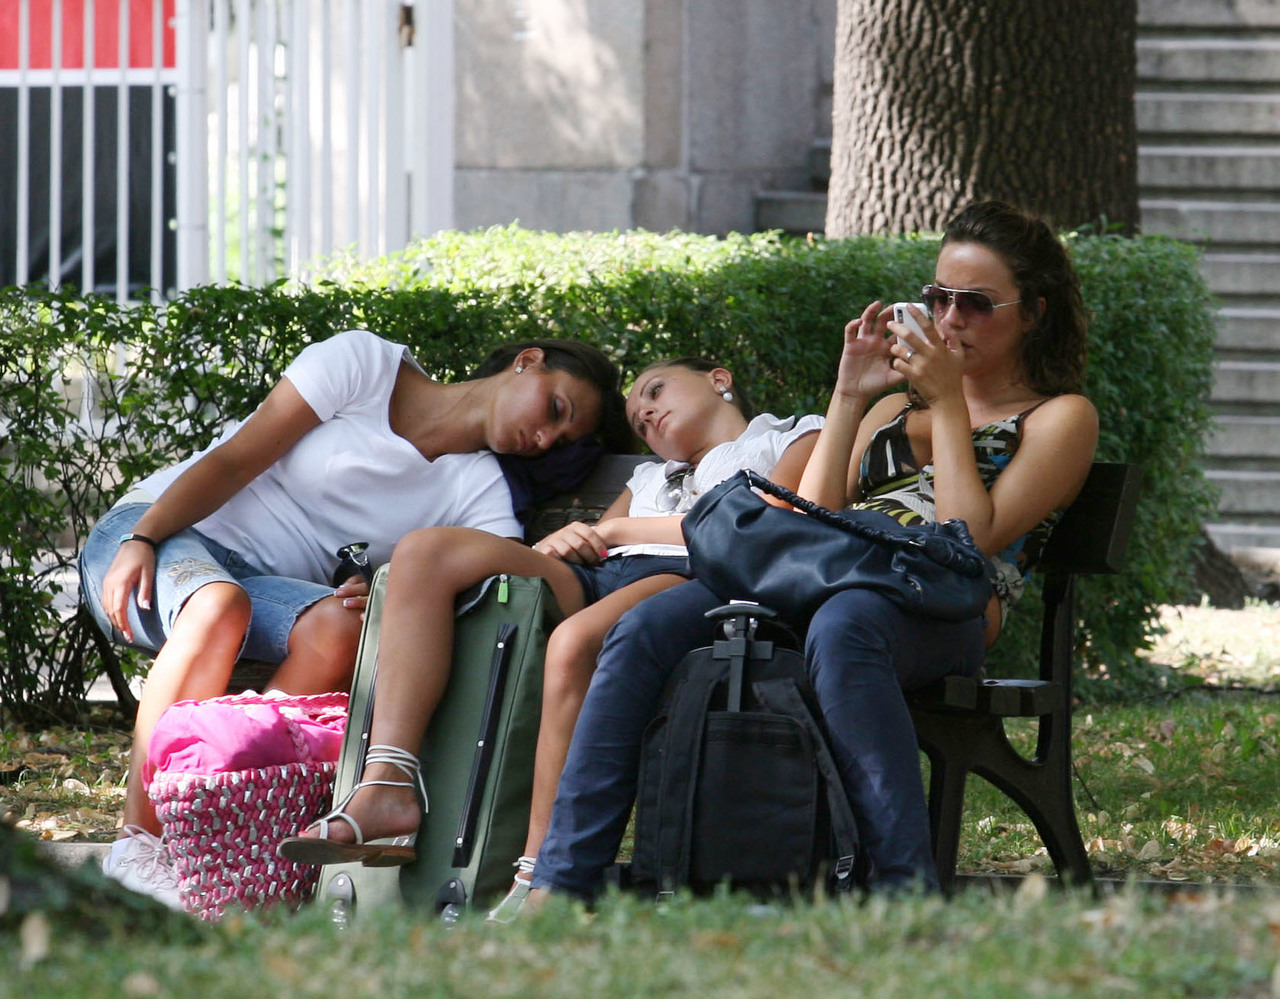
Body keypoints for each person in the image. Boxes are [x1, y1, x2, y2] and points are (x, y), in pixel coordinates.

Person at [523, 200, 1100, 904]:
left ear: (1033, 312)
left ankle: (903, 894)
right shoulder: (892, 410)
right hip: (825, 577)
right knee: (642, 628)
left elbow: (967, 540)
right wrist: (850, 396)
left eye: (975, 303)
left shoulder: (1060, 418)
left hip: (941, 606)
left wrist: (949, 402)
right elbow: (813, 514)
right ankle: (560, 883)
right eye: (938, 298)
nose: (950, 320)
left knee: (845, 624)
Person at [78, 329, 628, 908]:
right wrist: (144, 537)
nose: (544, 438)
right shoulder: (366, 367)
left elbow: (499, 592)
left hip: (262, 592)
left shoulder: (480, 490)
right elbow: (237, 458)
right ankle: (138, 845)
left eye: (560, 441)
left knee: (341, 629)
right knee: (218, 605)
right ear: (527, 361)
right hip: (159, 535)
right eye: (555, 409)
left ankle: (215, 822)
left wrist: (385, 590)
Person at [276, 359, 823, 899]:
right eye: (637, 421)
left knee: (574, 641)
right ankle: (388, 782)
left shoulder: (785, 438)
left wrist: (614, 529)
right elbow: (597, 543)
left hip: (689, 576)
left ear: (720, 379)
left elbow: (765, 519)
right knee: (425, 551)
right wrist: (563, 542)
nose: (646, 415)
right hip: (601, 575)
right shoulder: (649, 476)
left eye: (655, 391)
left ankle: (537, 871)